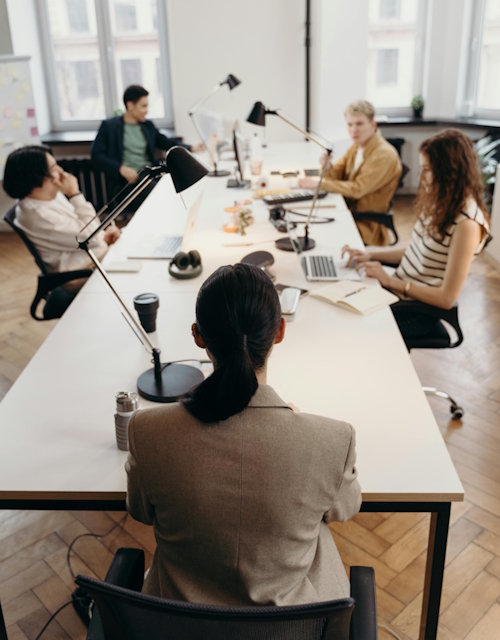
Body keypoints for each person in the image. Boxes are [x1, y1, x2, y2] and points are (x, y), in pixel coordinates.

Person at [126, 263, 361, 606]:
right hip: (293, 631)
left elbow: (140, 511)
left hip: (181, 628)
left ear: (198, 335)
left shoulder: (147, 432)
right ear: (279, 330)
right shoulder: (332, 441)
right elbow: (345, 508)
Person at [342, 128, 490, 347]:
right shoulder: (441, 202)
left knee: (350, 329)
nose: (420, 178)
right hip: (401, 295)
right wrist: (369, 252)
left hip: (419, 311)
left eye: (427, 170)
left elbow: (446, 298)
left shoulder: (466, 224)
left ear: (450, 171)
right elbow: (416, 250)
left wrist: (390, 280)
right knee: (343, 305)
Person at [299, 100, 402, 246]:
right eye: (350, 124)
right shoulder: (356, 147)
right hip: (349, 211)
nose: (354, 130)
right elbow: (337, 175)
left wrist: (319, 184)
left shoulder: (384, 154)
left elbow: (357, 189)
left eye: (359, 124)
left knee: (316, 236)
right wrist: (327, 166)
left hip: (365, 224)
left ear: (373, 124)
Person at [2, 145, 120, 273]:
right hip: (82, 270)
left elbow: (84, 231)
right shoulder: (38, 215)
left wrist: (103, 236)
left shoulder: (52, 194)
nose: (61, 171)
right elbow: (90, 238)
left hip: (92, 254)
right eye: (53, 168)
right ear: (36, 176)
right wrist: (75, 194)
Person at [91, 84, 197, 202]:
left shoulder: (147, 126)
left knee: (182, 183)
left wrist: (190, 148)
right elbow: (96, 156)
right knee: (166, 195)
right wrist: (121, 169)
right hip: (127, 181)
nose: (146, 111)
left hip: (150, 173)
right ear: (130, 105)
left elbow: (166, 142)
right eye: (143, 106)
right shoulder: (109, 126)